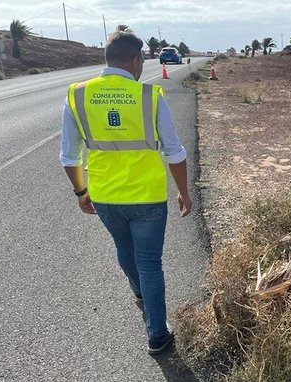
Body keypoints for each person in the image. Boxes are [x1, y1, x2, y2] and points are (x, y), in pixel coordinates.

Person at [60, 30, 193, 355]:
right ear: (135, 60)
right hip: (147, 196)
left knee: (124, 247)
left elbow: (69, 155)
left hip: (105, 196)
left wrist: (81, 191)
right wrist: (183, 193)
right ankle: (157, 335)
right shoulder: (149, 96)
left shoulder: (78, 95)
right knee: (150, 262)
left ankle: (139, 293)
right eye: (142, 60)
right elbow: (174, 151)